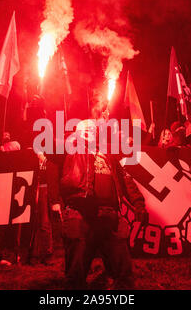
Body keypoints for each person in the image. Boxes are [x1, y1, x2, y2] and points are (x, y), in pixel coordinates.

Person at [48, 118, 149, 289]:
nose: (91, 130)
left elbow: (125, 180)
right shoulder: (70, 150)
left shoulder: (108, 155)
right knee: (76, 272)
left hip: (109, 216)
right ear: (77, 132)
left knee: (124, 272)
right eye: (86, 128)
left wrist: (138, 204)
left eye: (93, 129)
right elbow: (45, 146)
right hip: (80, 214)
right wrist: (70, 139)